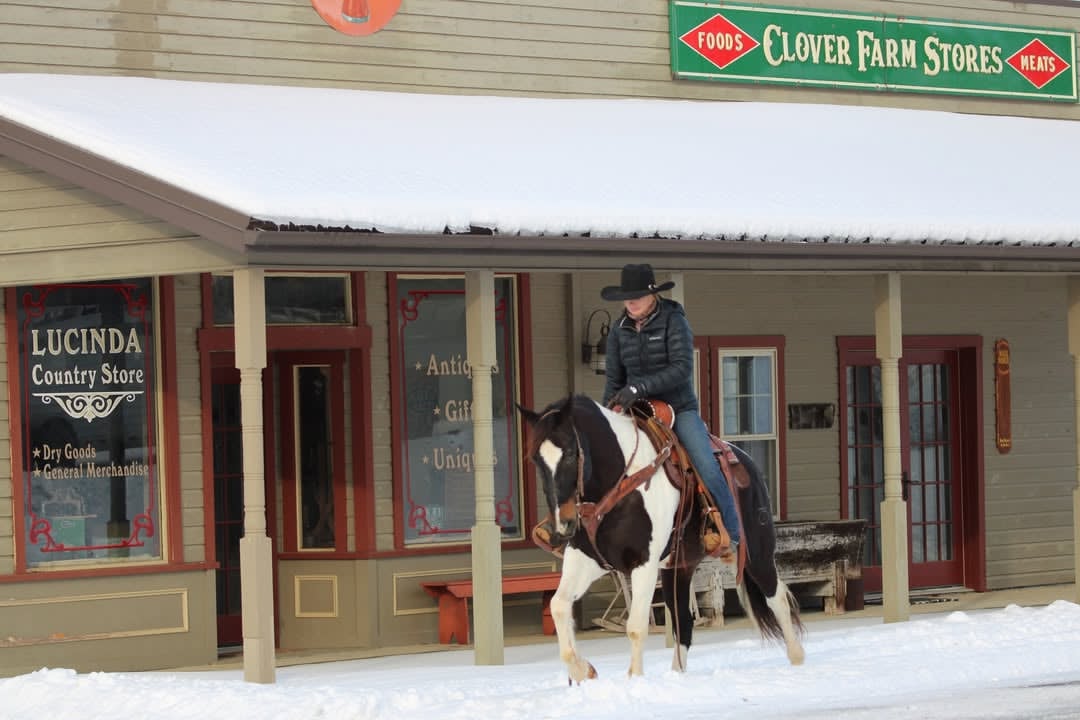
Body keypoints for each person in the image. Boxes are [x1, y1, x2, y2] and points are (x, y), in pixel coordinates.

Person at [600, 263, 740, 559]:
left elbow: (681, 368)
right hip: (636, 410)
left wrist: (639, 387)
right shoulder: (618, 330)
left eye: (637, 296)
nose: (631, 302)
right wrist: (607, 416)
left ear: (652, 295)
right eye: (627, 297)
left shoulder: (674, 320)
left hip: (678, 408)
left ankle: (731, 533)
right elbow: (613, 381)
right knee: (602, 460)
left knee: (705, 464)